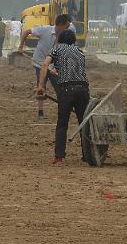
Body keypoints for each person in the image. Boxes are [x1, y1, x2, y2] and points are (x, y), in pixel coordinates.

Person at [38, 29, 89, 166]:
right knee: (83, 123)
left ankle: (59, 157)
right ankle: (88, 154)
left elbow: (44, 65)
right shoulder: (79, 51)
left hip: (66, 90)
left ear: (60, 39)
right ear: (73, 40)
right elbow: (75, 69)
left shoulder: (56, 48)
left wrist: (41, 86)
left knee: (62, 124)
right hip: (83, 88)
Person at [17, 14, 73, 119]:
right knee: (41, 86)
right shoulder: (44, 30)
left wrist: (56, 68)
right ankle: (40, 111)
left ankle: (62, 111)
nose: (67, 29)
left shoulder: (65, 37)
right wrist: (21, 46)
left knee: (60, 88)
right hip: (40, 63)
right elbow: (26, 32)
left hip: (53, 65)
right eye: (66, 26)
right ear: (60, 25)